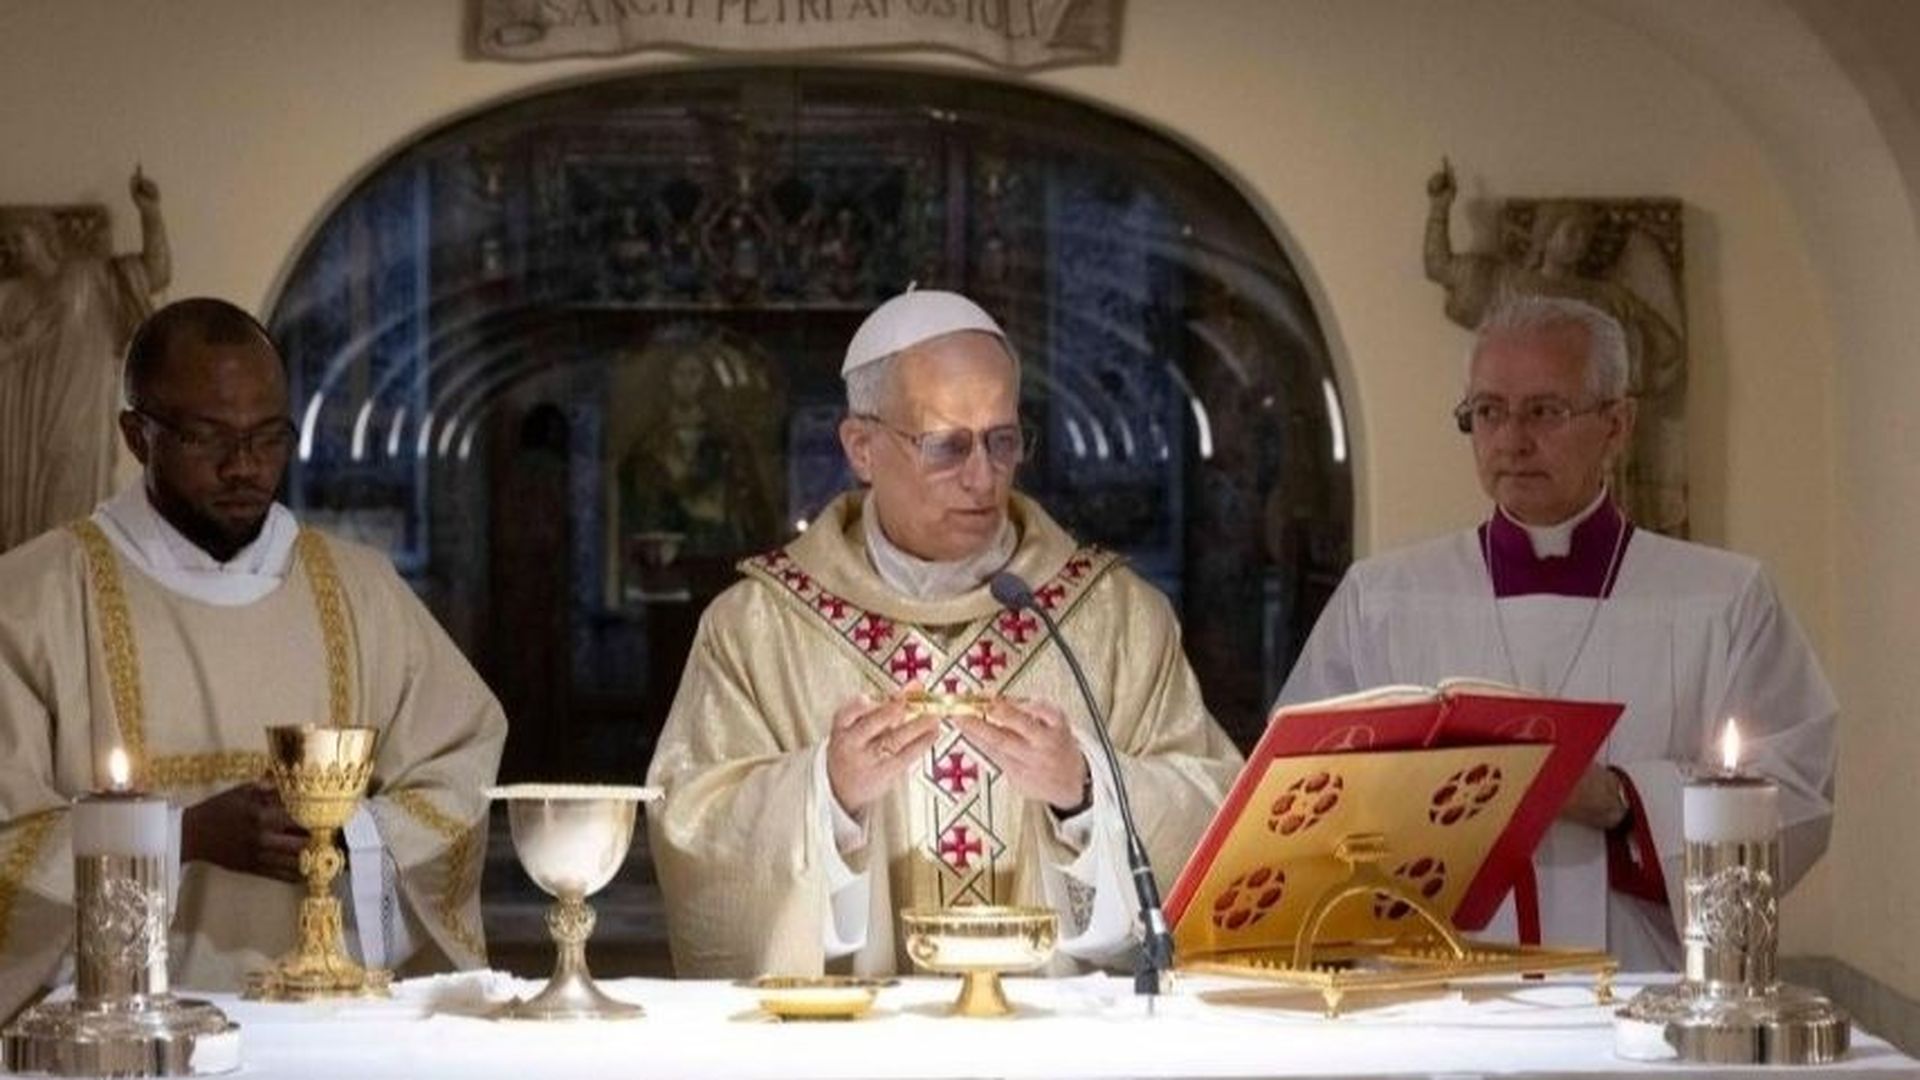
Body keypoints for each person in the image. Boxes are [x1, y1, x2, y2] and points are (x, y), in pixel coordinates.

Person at [645, 288, 1241, 977]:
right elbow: (692, 825)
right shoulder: (756, 628)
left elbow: (1218, 816)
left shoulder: (1114, 617)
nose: (982, 477)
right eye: (946, 446)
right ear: (861, 446)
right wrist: (825, 793)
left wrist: (1084, 789)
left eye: (1002, 440)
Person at [1278, 295, 1835, 971]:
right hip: (1433, 996)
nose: (1511, 440)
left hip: (1643, 997)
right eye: (1488, 412)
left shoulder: (1723, 598)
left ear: (1618, 423)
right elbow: (1299, 791)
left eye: (1544, 410)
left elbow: (1795, 792)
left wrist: (1624, 800)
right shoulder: (1383, 598)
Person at [0, 298, 506, 1017]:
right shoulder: (32, 602)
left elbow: (460, 765)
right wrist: (181, 836)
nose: (244, 466)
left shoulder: (362, 593)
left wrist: (348, 833)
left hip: (329, 1028)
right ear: (138, 435)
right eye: (209, 438)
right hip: (125, 1034)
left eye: (268, 438)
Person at [0, 169, 171, 552]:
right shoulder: (11, 299)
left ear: (47, 240)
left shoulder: (92, 277)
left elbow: (156, 272)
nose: (10, 247)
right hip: (24, 433)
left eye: (18, 238)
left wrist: (150, 212)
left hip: (78, 423)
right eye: (5, 241)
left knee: (67, 521)